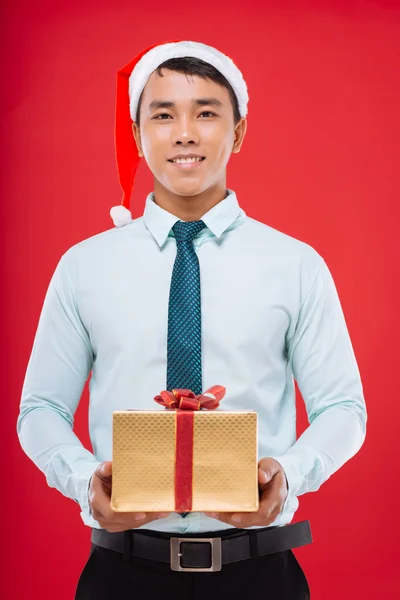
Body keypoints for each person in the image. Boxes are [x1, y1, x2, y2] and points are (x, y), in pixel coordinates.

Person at [17, 40, 367, 600]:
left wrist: (290, 475)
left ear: (239, 130)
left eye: (206, 112)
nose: (185, 132)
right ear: (137, 134)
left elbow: (344, 409)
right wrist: (85, 483)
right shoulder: (85, 266)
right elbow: (40, 409)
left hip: (260, 574)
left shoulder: (296, 265)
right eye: (163, 115)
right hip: (121, 575)